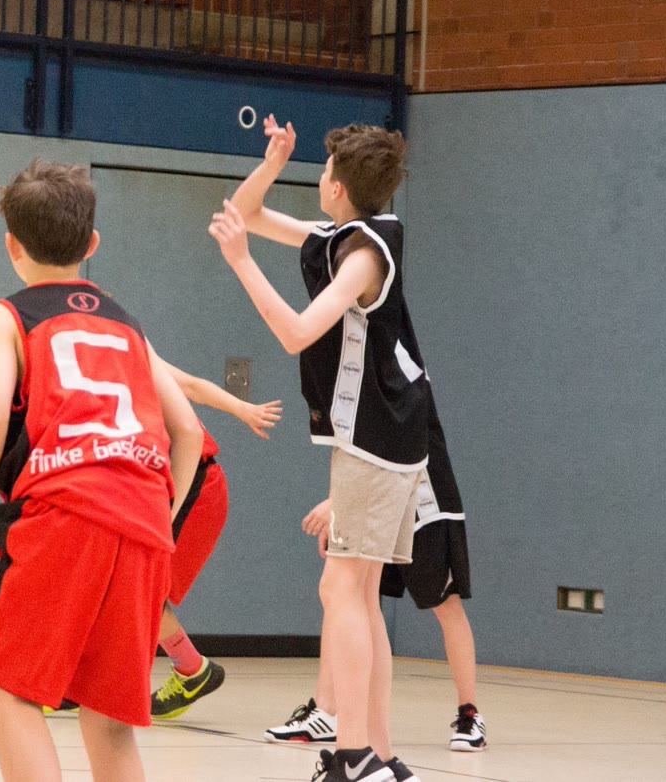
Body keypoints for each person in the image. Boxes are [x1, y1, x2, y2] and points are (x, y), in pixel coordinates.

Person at [0, 160, 205, 782]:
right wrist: (159, 517)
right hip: (143, 527)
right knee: (109, 719)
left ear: (11, 245)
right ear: (92, 244)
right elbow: (189, 432)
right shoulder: (126, 323)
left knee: (10, 692)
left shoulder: (6, 316)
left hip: (64, 512)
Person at [209, 116, 430, 782]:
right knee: (358, 592)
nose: (320, 176)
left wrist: (242, 263)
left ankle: (353, 753)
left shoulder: (362, 256)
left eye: (322, 168)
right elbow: (246, 213)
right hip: (385, 435)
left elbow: (297, 332)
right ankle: (379, 755)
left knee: (341, 586)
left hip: (378, 436)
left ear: (337, 186)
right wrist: (273, 161)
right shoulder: (344, 232)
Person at [270, 389, 485, 753]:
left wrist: (340, 501)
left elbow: (394, 437)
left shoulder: (393, 371)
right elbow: (349, 446)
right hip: (371, 493)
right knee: (345, 593)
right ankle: (328, 711)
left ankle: (470, 713)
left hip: (424, 497)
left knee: (444, 603)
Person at [145, 366, 281, 719]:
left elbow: (191, 386)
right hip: (153, 486)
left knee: (140, 590)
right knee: (122, 586)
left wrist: (242, 408)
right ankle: (190, 670)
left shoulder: (129, 346)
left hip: (194, 484)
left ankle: (190, 670)